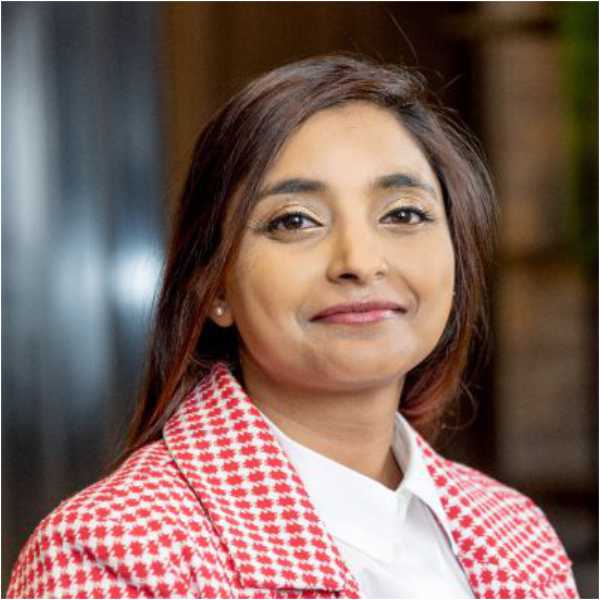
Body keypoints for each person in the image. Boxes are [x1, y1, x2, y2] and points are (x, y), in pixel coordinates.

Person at [7, 54, 578, 599]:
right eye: (295, 221)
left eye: (403, 213)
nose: (360, 261)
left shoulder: (515, 531)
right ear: (215, 288)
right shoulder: (115, 549)